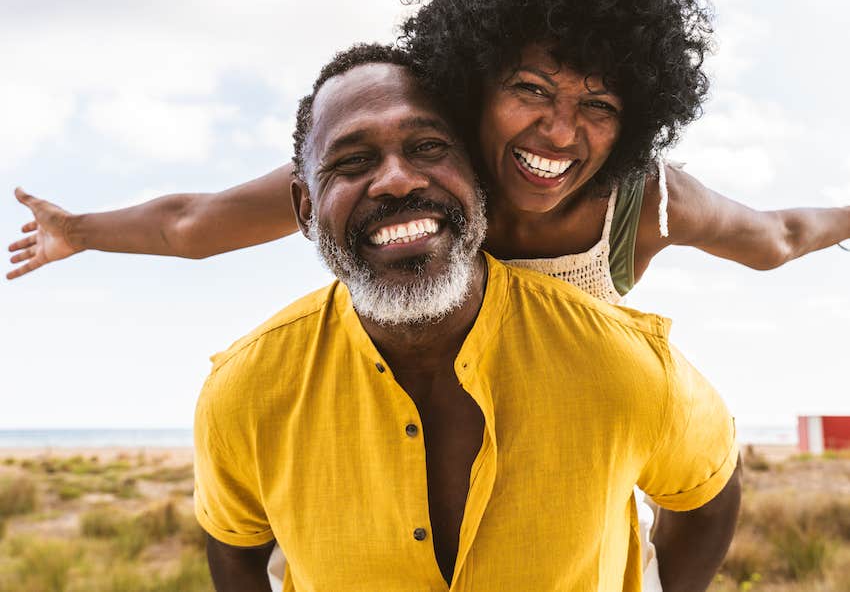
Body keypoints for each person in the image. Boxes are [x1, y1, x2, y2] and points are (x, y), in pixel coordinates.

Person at [9, 0, 849, 300]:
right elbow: (194, 223)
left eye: (597, 104)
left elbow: (776, 236)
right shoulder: (418, 178)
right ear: (473, 80)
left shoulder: (646, 203)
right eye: (531, 89)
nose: (560, 132)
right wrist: (79, 231)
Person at [195, 43, 742, 592]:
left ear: (477, 176)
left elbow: (709, 494)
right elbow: (236, 551)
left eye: (429, 147)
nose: (396, 181)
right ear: (305, 209)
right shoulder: (244, 390)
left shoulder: (625, 365)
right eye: (353, 161)